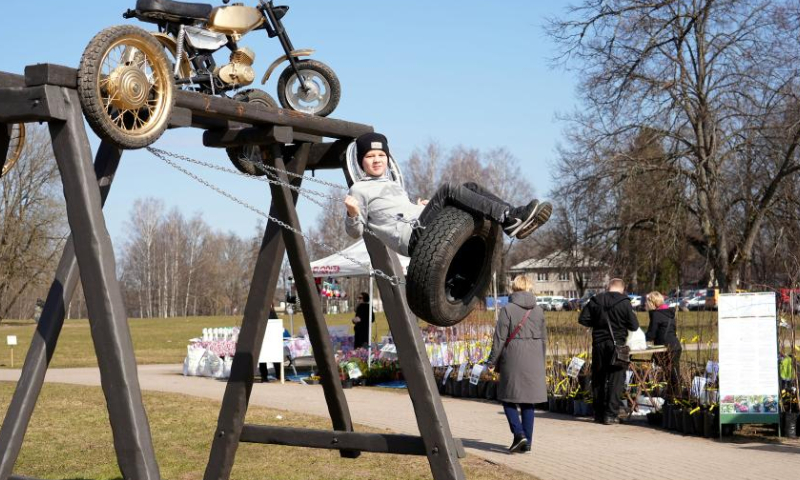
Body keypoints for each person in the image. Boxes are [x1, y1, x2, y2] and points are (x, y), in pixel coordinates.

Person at [343, 132, 552, 257]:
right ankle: (508, 217)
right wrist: (353, 213)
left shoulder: (393, 184)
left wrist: (422, 208)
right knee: (448, 189)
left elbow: (398, 212)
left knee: (470, 186)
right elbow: (355, 232)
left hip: (422, 226)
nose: (377, 160)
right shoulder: (359, 189)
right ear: (362, 161)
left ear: (388, 158)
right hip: (412, 239)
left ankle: (512, 218)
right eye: (370, 156)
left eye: (381, 155)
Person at [487, 275, 546, 454]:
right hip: (535, 359)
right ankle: (526, 442)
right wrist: (540, 361)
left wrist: (491, 361)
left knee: (508, 398)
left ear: (514, 288)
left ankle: (519, 434)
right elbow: (544, 339)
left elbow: (499, 339)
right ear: (530, 288)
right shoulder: (539, 310)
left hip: (513, 359)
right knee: (529, 402)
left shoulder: (507, 310)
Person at [578, 278, 640, 425]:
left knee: (598, 377)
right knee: (616, 379)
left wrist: (598, 323)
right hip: (617, 346)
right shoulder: (625, 302)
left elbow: (583, 319)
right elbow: (634, 326)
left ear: (608, 287)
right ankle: (610, 415)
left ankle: (598, 413)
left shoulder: (596, 300)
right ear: (622, 289)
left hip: (599, 344)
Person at [644, 291, 682, 399]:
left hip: (666, 349)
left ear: (652, 303)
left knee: (671, 377)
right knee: (673, 376)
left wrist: (638, 339)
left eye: (647, 302)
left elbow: (651, 334)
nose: (646, 305)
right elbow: (673, 331)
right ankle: (674, 400)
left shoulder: (656, 314)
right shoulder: (670, 313)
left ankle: (674, 401)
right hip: (675, 346)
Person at [259, 304, 283, 383]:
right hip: (267, 338)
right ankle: (276, 375)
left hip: (269, 337)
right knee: (267, 359)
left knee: (268, 359)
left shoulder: (270, 312)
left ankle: (265, 376)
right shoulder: (269, 312)